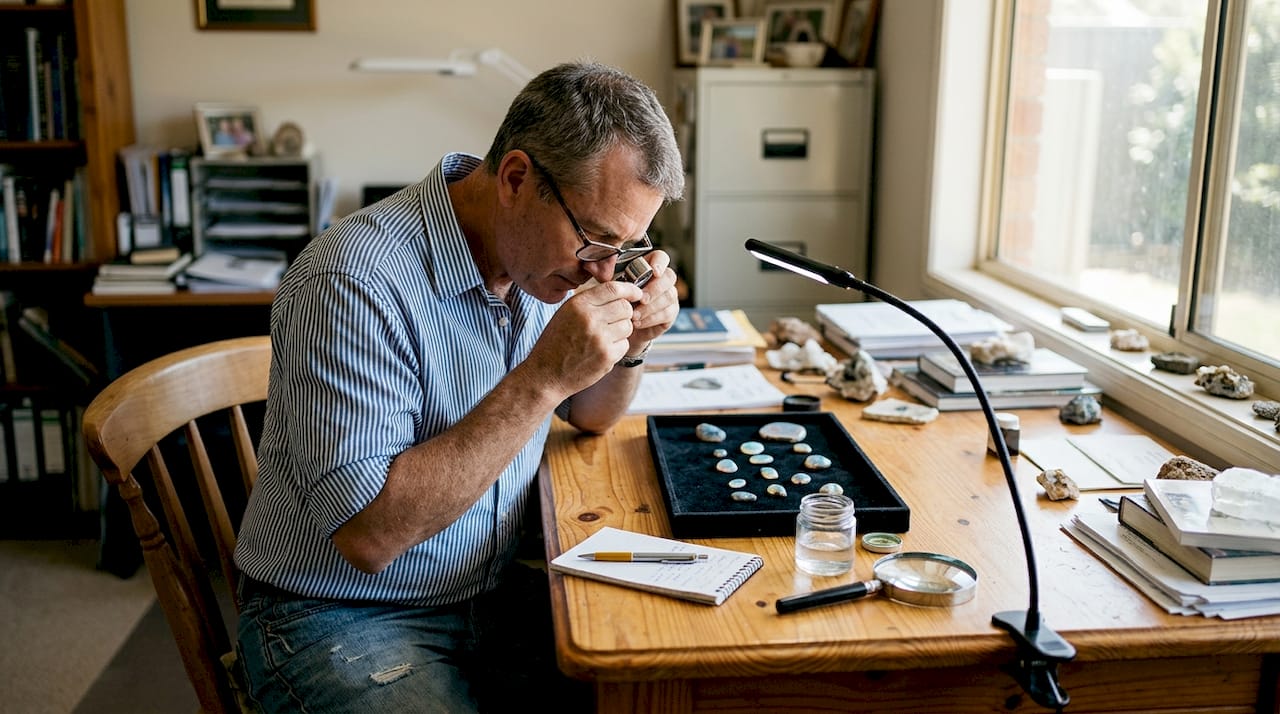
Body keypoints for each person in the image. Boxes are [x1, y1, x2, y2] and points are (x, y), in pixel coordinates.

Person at [232, 61, 685, 712]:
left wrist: (632, 346)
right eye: (595, 240)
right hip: (338, 617)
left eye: (630, 246)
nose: (607, 270)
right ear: (516, 178)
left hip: (486, 590)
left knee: (664, 685)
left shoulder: (540, 262)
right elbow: (369, 535)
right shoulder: (352, 282)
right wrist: (541, 378)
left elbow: (589, 416)